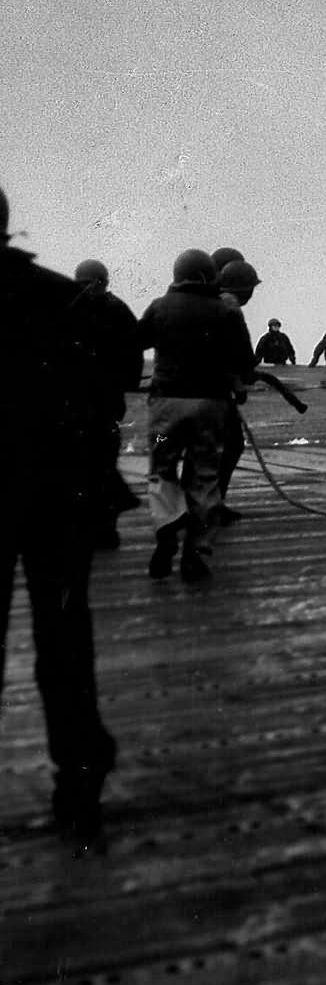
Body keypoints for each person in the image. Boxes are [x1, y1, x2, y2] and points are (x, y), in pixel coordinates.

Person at [1, 188, 119, 848]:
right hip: (55, 493)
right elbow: (100, 396)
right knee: (66, 637)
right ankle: (79, 774)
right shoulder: (59, 296)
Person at [136, 249, 253, 582]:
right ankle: (195, 554)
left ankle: (166, 532)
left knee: (161, 468)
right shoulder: (225, 310)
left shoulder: (159, 306)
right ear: (207, 275)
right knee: (204, 476)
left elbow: (137, 340)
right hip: (208, 409)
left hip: (164, 411)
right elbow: (245, 360)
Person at [72, 259, 144, 548]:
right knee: (101, 463)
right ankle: (103, 527)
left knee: (93, 464)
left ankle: (99, 527)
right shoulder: (118, 310)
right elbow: (134, 352)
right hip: (99, 400)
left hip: (88, 401)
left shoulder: (70, 307)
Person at [214, 260, 261, 526]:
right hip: (213, 396)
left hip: (170, 397)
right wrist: (241, 380)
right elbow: (244, 355)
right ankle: (213, 503)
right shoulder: (230, 307)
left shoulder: (197, 301)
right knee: (232, 445)